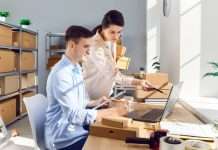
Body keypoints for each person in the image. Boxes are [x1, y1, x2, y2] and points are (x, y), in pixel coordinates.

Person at [44, 25, 127, 150]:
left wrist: (95, 102)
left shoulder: (76, 68)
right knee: (111, 145)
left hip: (76, 130)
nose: (89, 51)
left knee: (118, 137)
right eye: (86, 46)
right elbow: (74, 115)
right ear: (72, 45)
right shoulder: (61, 74)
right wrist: (111, 112)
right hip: (64, 140)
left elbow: (77, 103)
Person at [82, 10, 153, 100]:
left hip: (104, 97)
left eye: (119, 32)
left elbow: (113, 71)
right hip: (90, 98)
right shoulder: (94, 46)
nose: (116, 36)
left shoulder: (112, 41)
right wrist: (139, 82)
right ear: (103, 29)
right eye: (112, 32)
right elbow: (113, 75)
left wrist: (140, 82)